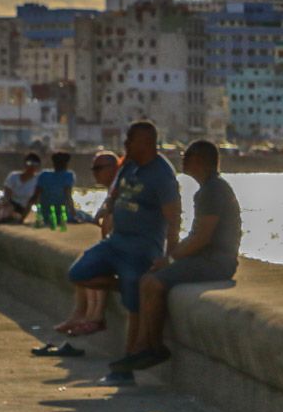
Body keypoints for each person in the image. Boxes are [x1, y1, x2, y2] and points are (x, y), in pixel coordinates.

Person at [112, 139, 241, 373]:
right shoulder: (209, 189)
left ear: (199, 160)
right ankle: (142, 346)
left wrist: (171, 259)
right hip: (208, 258)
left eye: (186, 156)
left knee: (152, 281)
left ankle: (152, 347)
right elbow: (196, 237)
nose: (182, 160)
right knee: (147, 280)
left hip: (217, 262)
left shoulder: (213, 191)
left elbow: (201, 237)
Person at [65, 123, 180, 380]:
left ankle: (126, 367)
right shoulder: (129, 166)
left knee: (134, 308)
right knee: (78, 273)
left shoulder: (161, 174)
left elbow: (173, 217)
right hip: (116, 242)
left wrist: (169, 257)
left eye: (130, 140)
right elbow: (114, 195)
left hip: (141, 248)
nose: (125, 144)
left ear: (147, 142)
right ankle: (127, 286)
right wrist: (108, 211)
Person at [53, 151, 121, 337]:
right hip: (114, 243)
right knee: (87, 264)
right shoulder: (114, 188)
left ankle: (94, 316)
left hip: (123, 247)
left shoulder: (120, 186)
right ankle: (83, 314)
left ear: (114, 168)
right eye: (93, 169)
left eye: (98, 169)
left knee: (93, 268)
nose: (94, 173)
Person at [0, 153, 41, 230]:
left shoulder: (37, 181)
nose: (31, 167)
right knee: (5, 212)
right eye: (29, 163)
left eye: (35, 164)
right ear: (25, 164)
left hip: (20, 208)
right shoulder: (14, 176)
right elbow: (7, 193)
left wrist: (22, 218)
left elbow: (31, 202)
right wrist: (7, 204)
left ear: (38, 167)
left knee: (8, 215)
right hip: (7, 203)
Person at [31, 150, 76, 229]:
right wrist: (74, 214)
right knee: (86, 216)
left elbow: (35, 196)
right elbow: (68, 196)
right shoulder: (68, 175)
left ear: (53, 163)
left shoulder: (44, 175)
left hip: (46, 215)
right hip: (61, 216)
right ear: (66, 164)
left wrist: (23, 218)